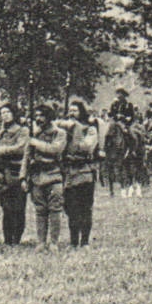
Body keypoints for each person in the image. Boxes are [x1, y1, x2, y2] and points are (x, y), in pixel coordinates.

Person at [20, 105, 67, 250]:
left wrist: (36, 143)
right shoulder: (34, 133)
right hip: (37, 176)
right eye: (37, 116)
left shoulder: (59, 133)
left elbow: (55, 149)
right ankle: (41, 241)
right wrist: (23, 177)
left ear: (49, 117)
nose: (39, 119)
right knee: (40, 210)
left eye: (42, 116)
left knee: (55, 209)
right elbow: (26, 156)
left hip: (53, 174)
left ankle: (53, 242)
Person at [59, 99, 101, 247]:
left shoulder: (89, 129)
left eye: (75, 110)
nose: (72, 113)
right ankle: (73, 240)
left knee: (84, 208)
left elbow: (87, 147)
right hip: (68, 172)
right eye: (70, 111)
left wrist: (75, 132)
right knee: (70, 208)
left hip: (84, 172)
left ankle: (84, 241)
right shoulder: (63, 129)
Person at [0, 104, 29, 245]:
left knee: (18, 207)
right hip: (2, 171)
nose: (5, 115)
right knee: (6, 207)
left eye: (8, 112)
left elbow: (21, 148)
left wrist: (0, 150)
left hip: (17, 171)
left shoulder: (22, 130)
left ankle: (16, 238)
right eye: (2, 113)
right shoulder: (0, 131)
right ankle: (8, 239)